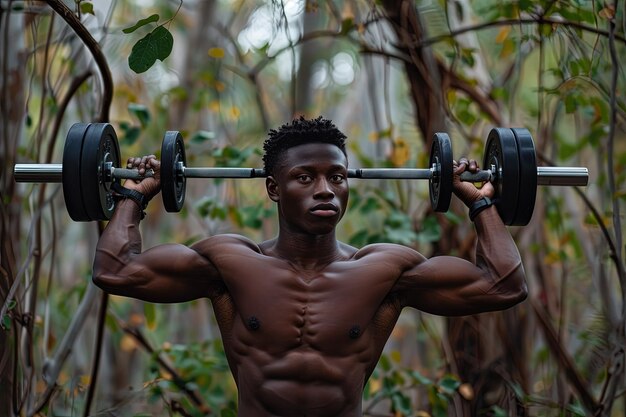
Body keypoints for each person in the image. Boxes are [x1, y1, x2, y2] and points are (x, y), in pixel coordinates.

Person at [93, 116, 527, 417]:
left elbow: (503, 286)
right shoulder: (231, 262)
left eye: (336, 177)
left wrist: (481, 201)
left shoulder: (383, 270)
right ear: (273, 188)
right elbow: (115, 271)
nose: (325, 190)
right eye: (305, 177)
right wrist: (133, 195)